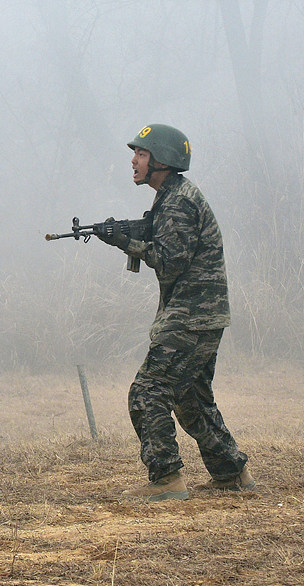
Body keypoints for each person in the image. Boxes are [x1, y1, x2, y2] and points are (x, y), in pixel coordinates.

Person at [97, 124, 254, 501]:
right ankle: (231, 471)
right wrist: (129, 234)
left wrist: (127, 243)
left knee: (147, 392)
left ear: (162, 161)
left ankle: (166, 479)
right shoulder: (171, 197)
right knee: (191, 399)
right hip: (202, 314)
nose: (134, 161)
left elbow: (170, 263)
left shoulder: (179, 201)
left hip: (191, 316)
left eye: (142, 154)